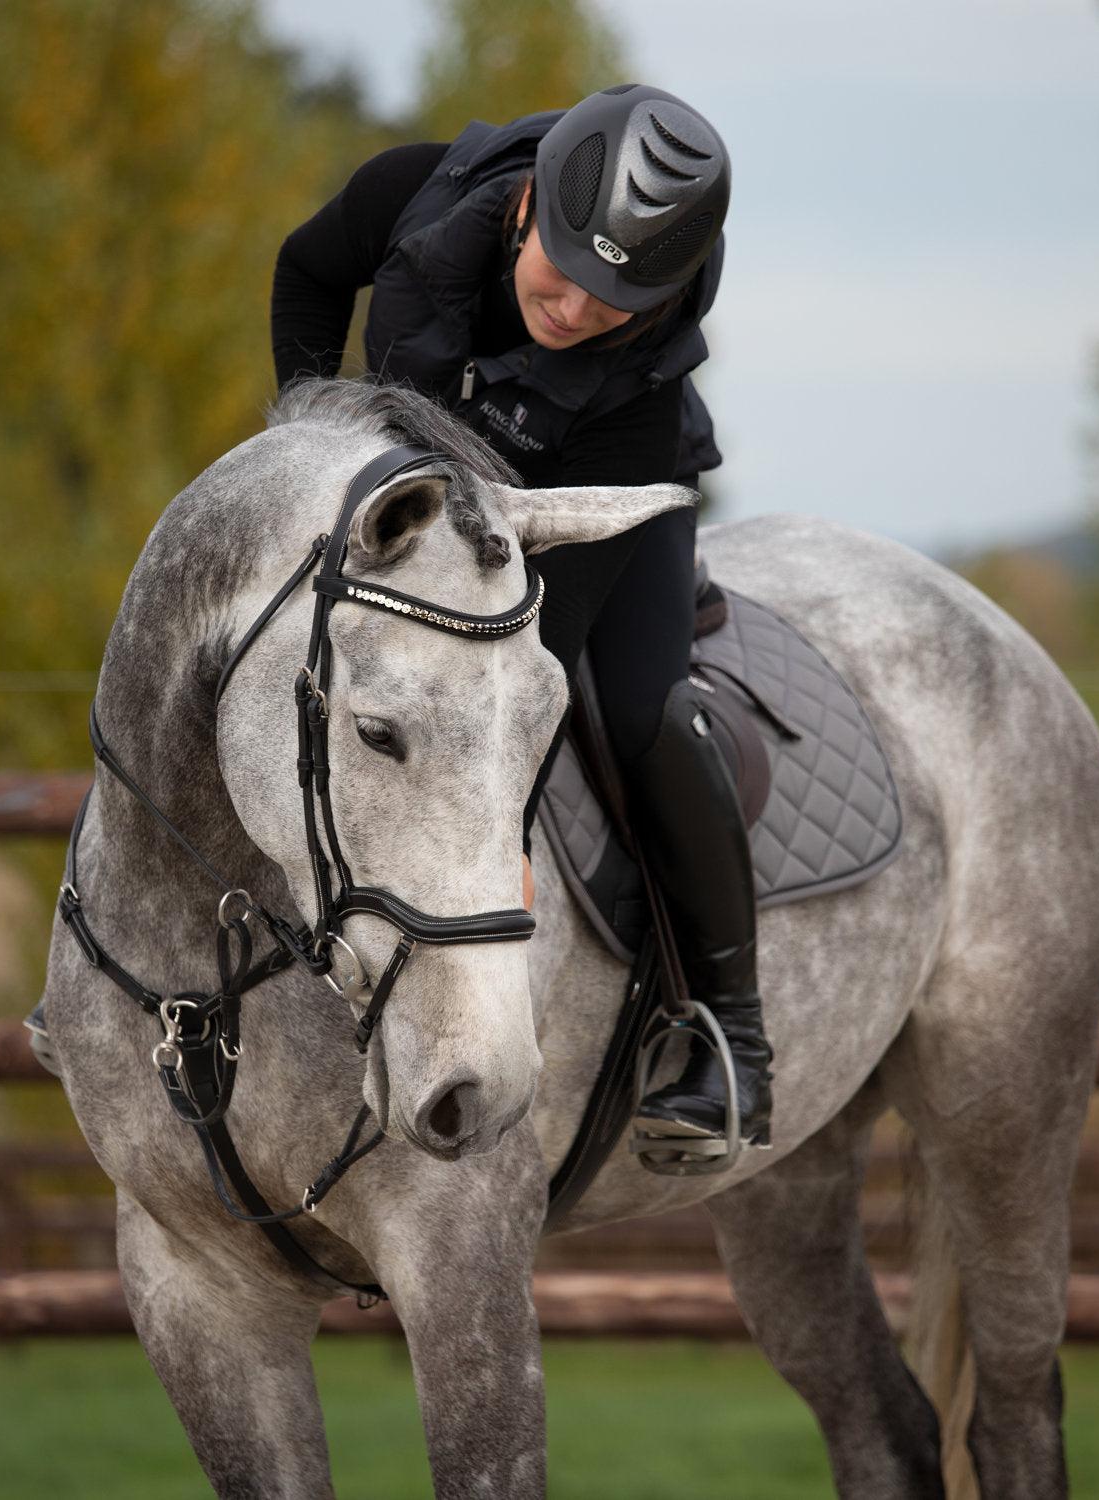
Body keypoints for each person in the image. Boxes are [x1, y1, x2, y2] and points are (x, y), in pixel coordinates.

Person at [271, 83, 772, 1149]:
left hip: (598, 509)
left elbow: (535, 651)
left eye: (615, 302)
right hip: (415, 490)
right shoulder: (413, 189)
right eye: (570, 272)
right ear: (527, 205)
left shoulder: (640, 389)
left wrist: (500, 829)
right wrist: (306, 443)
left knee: (640, 708)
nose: (579, 312)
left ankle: (735, 1037)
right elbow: (308, 273)